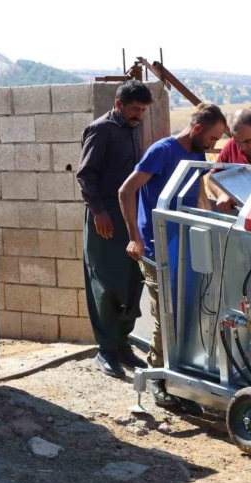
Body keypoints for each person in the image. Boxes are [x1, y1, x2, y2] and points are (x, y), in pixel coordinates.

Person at [118, 103, 226, 406]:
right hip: (156, 247)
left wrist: (216, 222)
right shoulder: (162, 151)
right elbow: (126, 191)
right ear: (197, 129)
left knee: (187, 313)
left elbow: (200, 195)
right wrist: (134, 239)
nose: (213, 145)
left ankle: (179, 380)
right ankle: (157, 378)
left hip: (186, 245)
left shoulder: (196, 153)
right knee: (166, 316)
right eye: (213, 138)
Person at [77, 80, 152, 379]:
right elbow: (86, 174)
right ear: (118, 104)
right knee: (106, 284)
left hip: (129, 214)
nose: (139, 115)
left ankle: (122, 344)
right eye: (135, 109)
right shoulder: (101, 129)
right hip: (105, 216)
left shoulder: (133, 128)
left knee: (133, 281)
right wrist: (99, 212)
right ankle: (105, 349)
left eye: (143, 110)